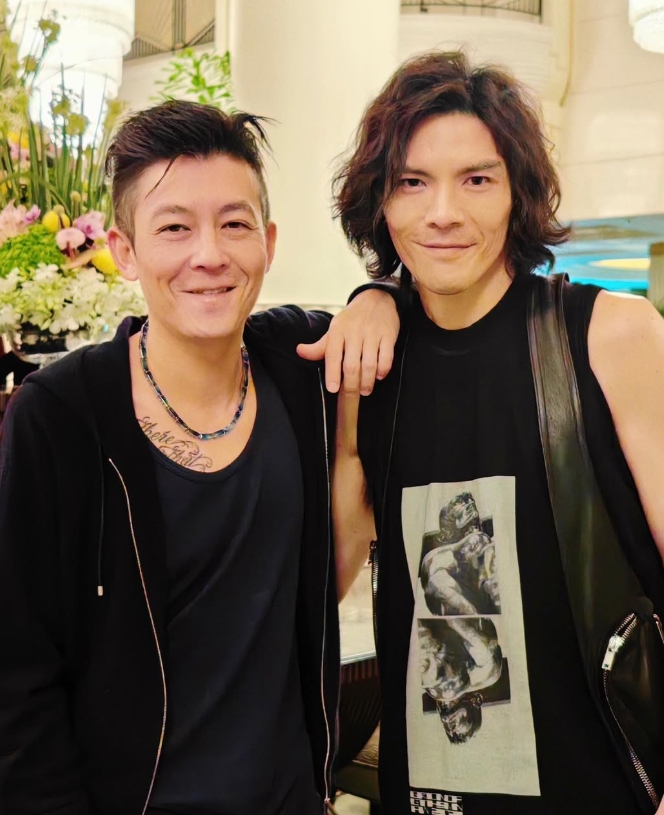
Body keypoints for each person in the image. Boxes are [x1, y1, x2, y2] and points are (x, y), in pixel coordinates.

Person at [0, 100, 401, 815]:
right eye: (174, 228)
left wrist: (378, 294)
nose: (209, 254)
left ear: (268, 244)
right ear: (124, 251)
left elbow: (432, 319)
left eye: (234, 224)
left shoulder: (304, 366)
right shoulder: (61, 415)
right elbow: (18, 671)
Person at [333, 51, 664, 814]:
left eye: (477, 179)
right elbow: (312, 590)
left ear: (519, 194)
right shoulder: (368, 372)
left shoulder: (609, 336)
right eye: (412, 182)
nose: (443, 212)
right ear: (380, 202)